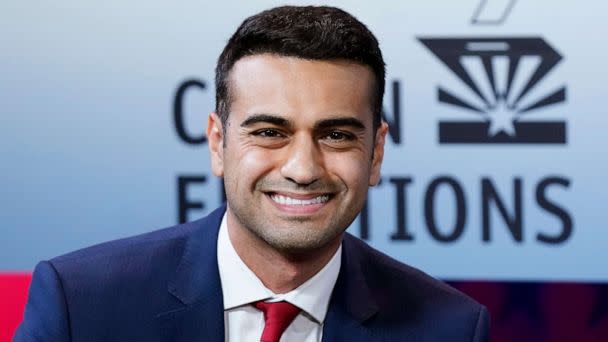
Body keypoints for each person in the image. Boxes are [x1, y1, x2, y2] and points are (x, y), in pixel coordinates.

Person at [15, 5, 488, 342]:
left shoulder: (449, 328)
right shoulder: (80, 304)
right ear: (218, 143)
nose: (303, 169)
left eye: (337, 136)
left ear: (377, 152)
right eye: (268, 132)